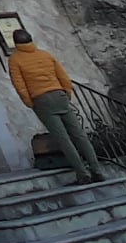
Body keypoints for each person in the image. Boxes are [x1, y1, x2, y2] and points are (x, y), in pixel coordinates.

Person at [6, 29, 106, 183]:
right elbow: (63, 76)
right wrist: (66, 93)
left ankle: (82, 173)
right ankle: (97, 170)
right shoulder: (45, 55)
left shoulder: (15, 59)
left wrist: (30, 102)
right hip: (59, 94)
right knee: (79, 134)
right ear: (31, 39)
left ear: (15, 43)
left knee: (63, 138)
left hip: (41, 99)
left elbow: (19, 85)